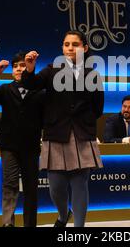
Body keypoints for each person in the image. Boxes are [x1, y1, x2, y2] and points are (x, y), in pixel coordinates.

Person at [21, 31, 104, 227]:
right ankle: (62, 214)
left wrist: (85, 120)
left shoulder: (92, 75)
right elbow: (30, 84)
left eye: (75, 44)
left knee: (80, 184)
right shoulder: (50, 71)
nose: (69, 48)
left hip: (82, 135)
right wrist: (29, 69)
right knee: (56, 186)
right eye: (66, 44)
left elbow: (98, 107)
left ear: (84, 48)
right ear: (62, 48)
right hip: (56, 134)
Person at [0, 52, 44, 227]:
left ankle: (30, 224)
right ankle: (7, 224)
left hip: (30, 146)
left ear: (29, 68)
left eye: (22, 65)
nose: (18, 69)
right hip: (8, 145)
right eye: (15, 66)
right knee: (10, 184)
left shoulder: (39, 92)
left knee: (31, 188)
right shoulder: (6, 89)